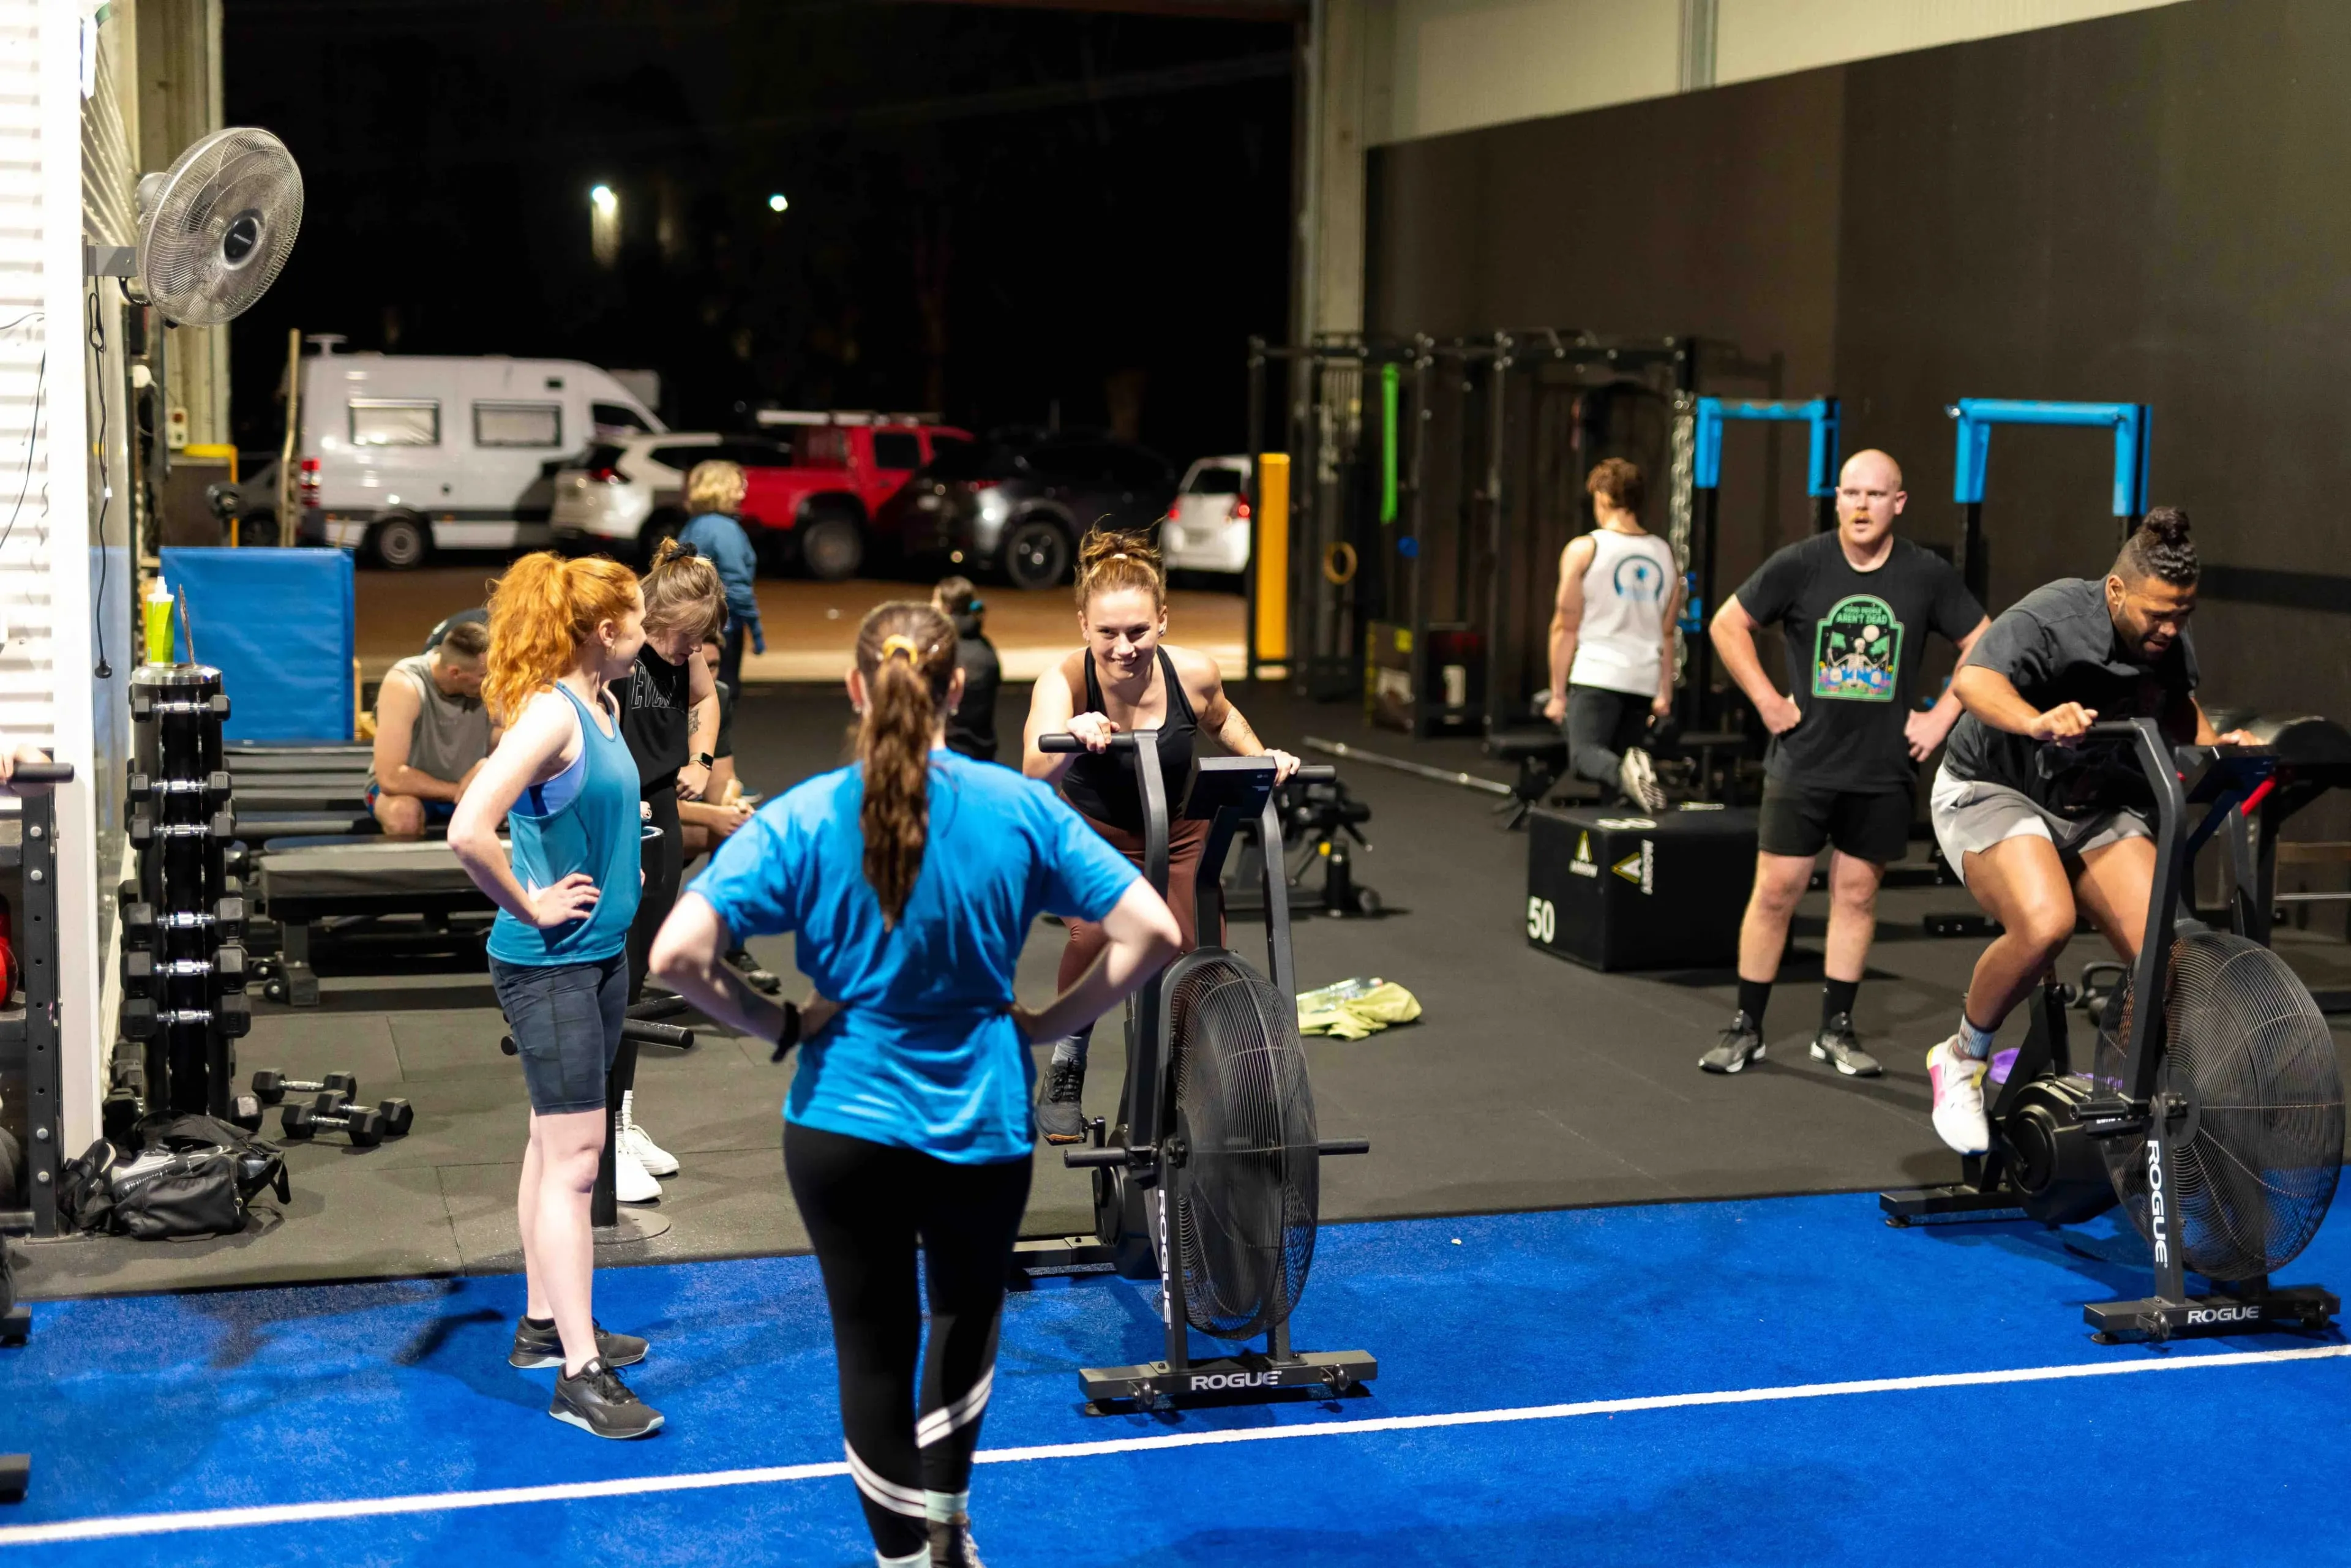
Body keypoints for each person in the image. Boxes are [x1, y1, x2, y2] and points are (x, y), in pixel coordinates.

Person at [651, 603, 1180, 1568]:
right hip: (980, 1120)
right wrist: (1048, 1026)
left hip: (841, 1127)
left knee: (872, 1342)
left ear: (857, 689)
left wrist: (778, 1023)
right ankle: (946, 1528)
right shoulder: (1017, 809)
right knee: (962, 1320)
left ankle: (905, 1559)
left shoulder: (809, 812)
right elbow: (1158, 932)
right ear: (960, 690)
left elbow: (677, 954)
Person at [1924, 509, 2256, 1152]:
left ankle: (2129, 1098)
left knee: (2167, 952)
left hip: (2092, 803)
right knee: (2046, 924)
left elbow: (2176, 708)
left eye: (2182, 614)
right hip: (1995, 787)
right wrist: (2035, 720)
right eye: (2157, 613)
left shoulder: (2169, 642)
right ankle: (1961, 1057)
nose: (2170, 627)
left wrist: (2221, 748)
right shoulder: (2054, 616)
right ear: (2115, 590)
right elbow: (1973, 680)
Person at [449, 552, 660, 1441]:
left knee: (554, 1141)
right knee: (578, 1164)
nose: (649, 633)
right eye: (641, 619)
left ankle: (545, 1323)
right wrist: (529, 900)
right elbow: (468, 827)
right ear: (606, 632)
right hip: (551, 963)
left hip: (598, 952)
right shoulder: (550, 714)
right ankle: (580, 1373)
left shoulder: (604, 706)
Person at [1704, 449, 1989, 1077]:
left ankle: (1835, 1028)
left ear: (1899, 502)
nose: (1861, 506)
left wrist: (1942, 717)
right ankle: (1746, 1025)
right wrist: (1767, 701)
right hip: (1804, 762)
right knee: (1776, 890)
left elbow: (1982, 638)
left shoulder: (1925, 574)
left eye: (1875, 495)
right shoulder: (1803, 564)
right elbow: (1728, 623)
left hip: (1881, 768)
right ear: (1836, 498)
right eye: (1850, 493)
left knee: (1856, 895)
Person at [1021, 528, 1300, 1144]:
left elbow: (1223, 717)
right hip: (1089, 834)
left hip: (1175, 831)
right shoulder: (1063, 681)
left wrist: (1264, 758)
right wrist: (1073, 730)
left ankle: (1170, 1084)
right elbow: (1032, 770)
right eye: (1108, 633)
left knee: (1195, 953)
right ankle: (1069, 1058)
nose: (1124, 648)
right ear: (1083, 624)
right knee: (1101, 933)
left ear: (1163, 620)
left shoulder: (1192, 672)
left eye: (1139, 632)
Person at [609, 539, 726, 1201]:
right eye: (687, 637)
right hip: (618, 813)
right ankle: (600, 1131)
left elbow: (707, 704)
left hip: (661, 810)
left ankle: (622, 1119)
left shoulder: (687, 656)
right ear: (656, 615)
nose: (692, 651)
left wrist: (700, 761)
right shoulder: (619, 649)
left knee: (640, 969)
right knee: (615, 973)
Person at [1542, 459, 1678, 811]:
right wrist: (1664, 692)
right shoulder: (1664, 554)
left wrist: (1558, 694)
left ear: (1602, 497)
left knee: (1586, 756)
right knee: (1617, 789)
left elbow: (1564, 625)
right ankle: (1620, 839)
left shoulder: (1585, 549)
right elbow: (1667, 634)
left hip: (1597, 672)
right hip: (1642, 678)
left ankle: (1627, 774)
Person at [678, 628, 782, 996]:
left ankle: (730, 942)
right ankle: (640, 963)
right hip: (641, 821)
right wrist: (712, 816)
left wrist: (732, 803)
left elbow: (722, 780)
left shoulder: (717, 697)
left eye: (716, 665)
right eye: (699, 666)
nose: (709, 675)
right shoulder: (656, 699)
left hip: (682, 814)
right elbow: (643, 801)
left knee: (742, 829)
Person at [366, 620, 493, 838]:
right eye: (484, 676)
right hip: (410, 791)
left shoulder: (490, 682)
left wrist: (488, 765)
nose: (491, 681)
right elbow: (390, 777)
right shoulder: (405, 684)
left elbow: (512, 736)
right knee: (403, 818)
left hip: (469, 789)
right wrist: (458, 792)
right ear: (455, 673)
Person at [676, 460, 765, 692]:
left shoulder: (694, 526)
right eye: (737, 486)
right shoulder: (725, 530)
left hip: (694, 623)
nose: (742, 492)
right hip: (723, 627)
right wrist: (756, 633)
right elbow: (737, 585)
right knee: (723, 694)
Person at [932, 576, 1000, 763]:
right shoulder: (986, 648)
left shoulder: (946, 652)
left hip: (950, 756)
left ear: (946, 609)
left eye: (935, 601)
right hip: (983, 753)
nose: (931, 606)